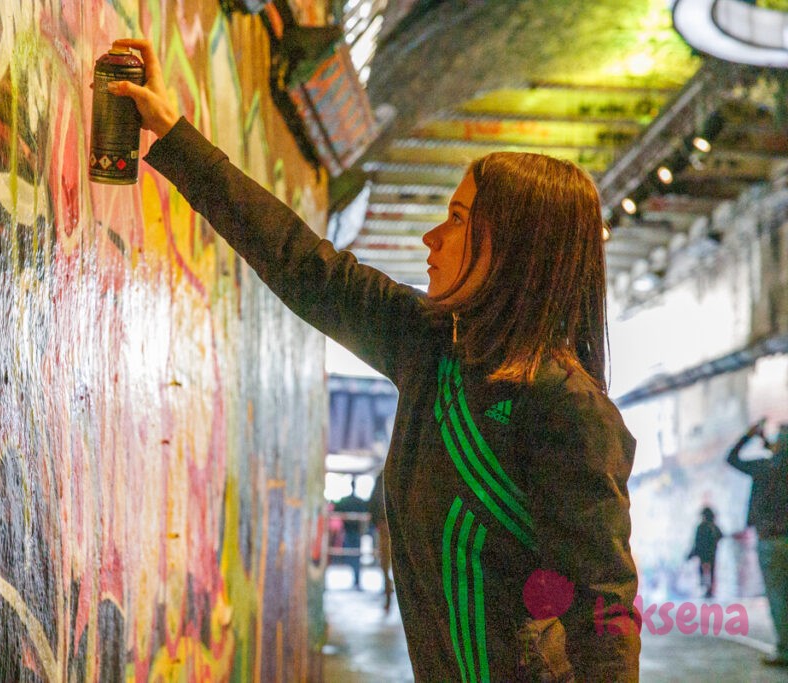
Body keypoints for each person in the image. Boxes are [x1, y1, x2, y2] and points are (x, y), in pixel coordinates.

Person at [110, 37, 640, 681]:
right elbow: (302, 263)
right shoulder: (430, 346)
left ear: (512, 249)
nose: (432, 237)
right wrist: (171, 132)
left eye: (458, 218)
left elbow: (606, 620)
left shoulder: (567, 411)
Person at [726, 418, 788, 667]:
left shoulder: (765, 467)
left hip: (771, 541)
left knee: (778, 597)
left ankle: (785, 651)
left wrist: (750, 435)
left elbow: (732, 459)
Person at [332, 476, 369, 589]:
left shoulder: (346, 501)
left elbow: (336, 508)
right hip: (355, 532)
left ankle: (356, 579)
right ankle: (356, 579)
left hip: (350, 532)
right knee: (355, 555)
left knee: (352, 555)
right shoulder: (359, 502)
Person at [369, 469, 394, 610]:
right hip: (398, 526)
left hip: (384, 525)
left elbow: (373, 501)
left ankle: (388, 589)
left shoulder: (382, 475)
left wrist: (377, 521)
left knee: (385, 561)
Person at [687, 506, 723, 598]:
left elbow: (697, 541)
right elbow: (720, 536)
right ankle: (708, 589)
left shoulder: (704, 527)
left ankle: (708, 589)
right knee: (709, 572)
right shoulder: (712, 527)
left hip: (706, 553)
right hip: (709, 553)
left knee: (706, 572)